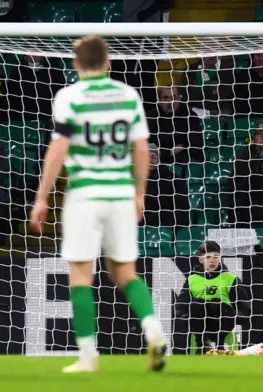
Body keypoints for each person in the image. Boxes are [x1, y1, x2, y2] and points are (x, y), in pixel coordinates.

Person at [28, 36, 166, 373]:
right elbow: (142, 148)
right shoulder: (128, 95)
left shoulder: (69, 96)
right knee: (125, 272)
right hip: (120, 193)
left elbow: (58, 148)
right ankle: (154, 330)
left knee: (80, 274)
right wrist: (139, 193)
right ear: (109, 63)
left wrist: (42, 196)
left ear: (75, 65)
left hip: (85, 193)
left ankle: (88, 357)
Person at [174, 240, 248, 354]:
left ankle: (220, 345)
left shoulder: (231, 278)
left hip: (224, 321)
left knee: (216, 302)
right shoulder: (192, 279)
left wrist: (235, 316)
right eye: (208, 257)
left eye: (215, 256)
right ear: (201, 259)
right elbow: (180, 306)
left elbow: (244, 307)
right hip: (200, 323)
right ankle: (202, 344)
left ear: (220, 258)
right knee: (198, 302)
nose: (212, 260)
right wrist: (187, 317)